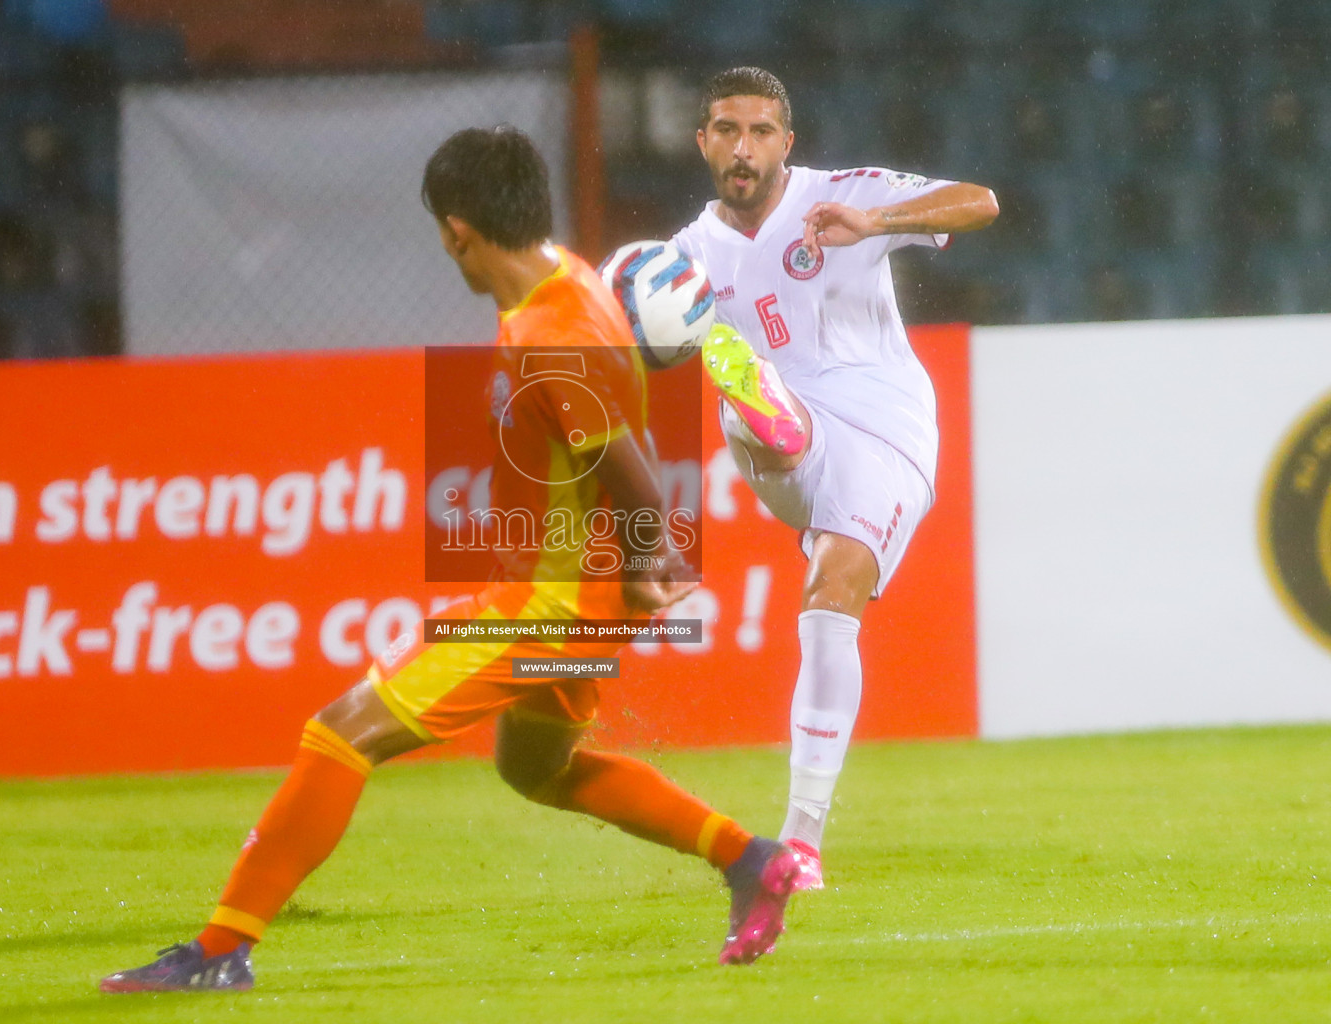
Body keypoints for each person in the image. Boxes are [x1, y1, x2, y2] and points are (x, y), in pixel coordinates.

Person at [99, 126, 817, 994]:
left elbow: (629, 470)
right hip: (582, 594)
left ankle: (221, 950)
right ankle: (750, 860)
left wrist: (643, 558)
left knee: (340, 731)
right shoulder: (566, 277)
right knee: (535, 766)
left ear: (457, 233)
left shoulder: (552, 332)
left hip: (550, 605)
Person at [671, 68, 998, 884]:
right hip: (790, 450)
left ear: (788, 143)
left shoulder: (843, 193)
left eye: (760, 132)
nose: (742, 147)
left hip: (886, 434)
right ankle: (759, 404)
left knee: (831, 596)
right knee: (758, 410)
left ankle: (802, 841)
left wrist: (877, 221)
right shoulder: (683, 256)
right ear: (702, 141)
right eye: (726, 130)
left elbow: (981, 202)